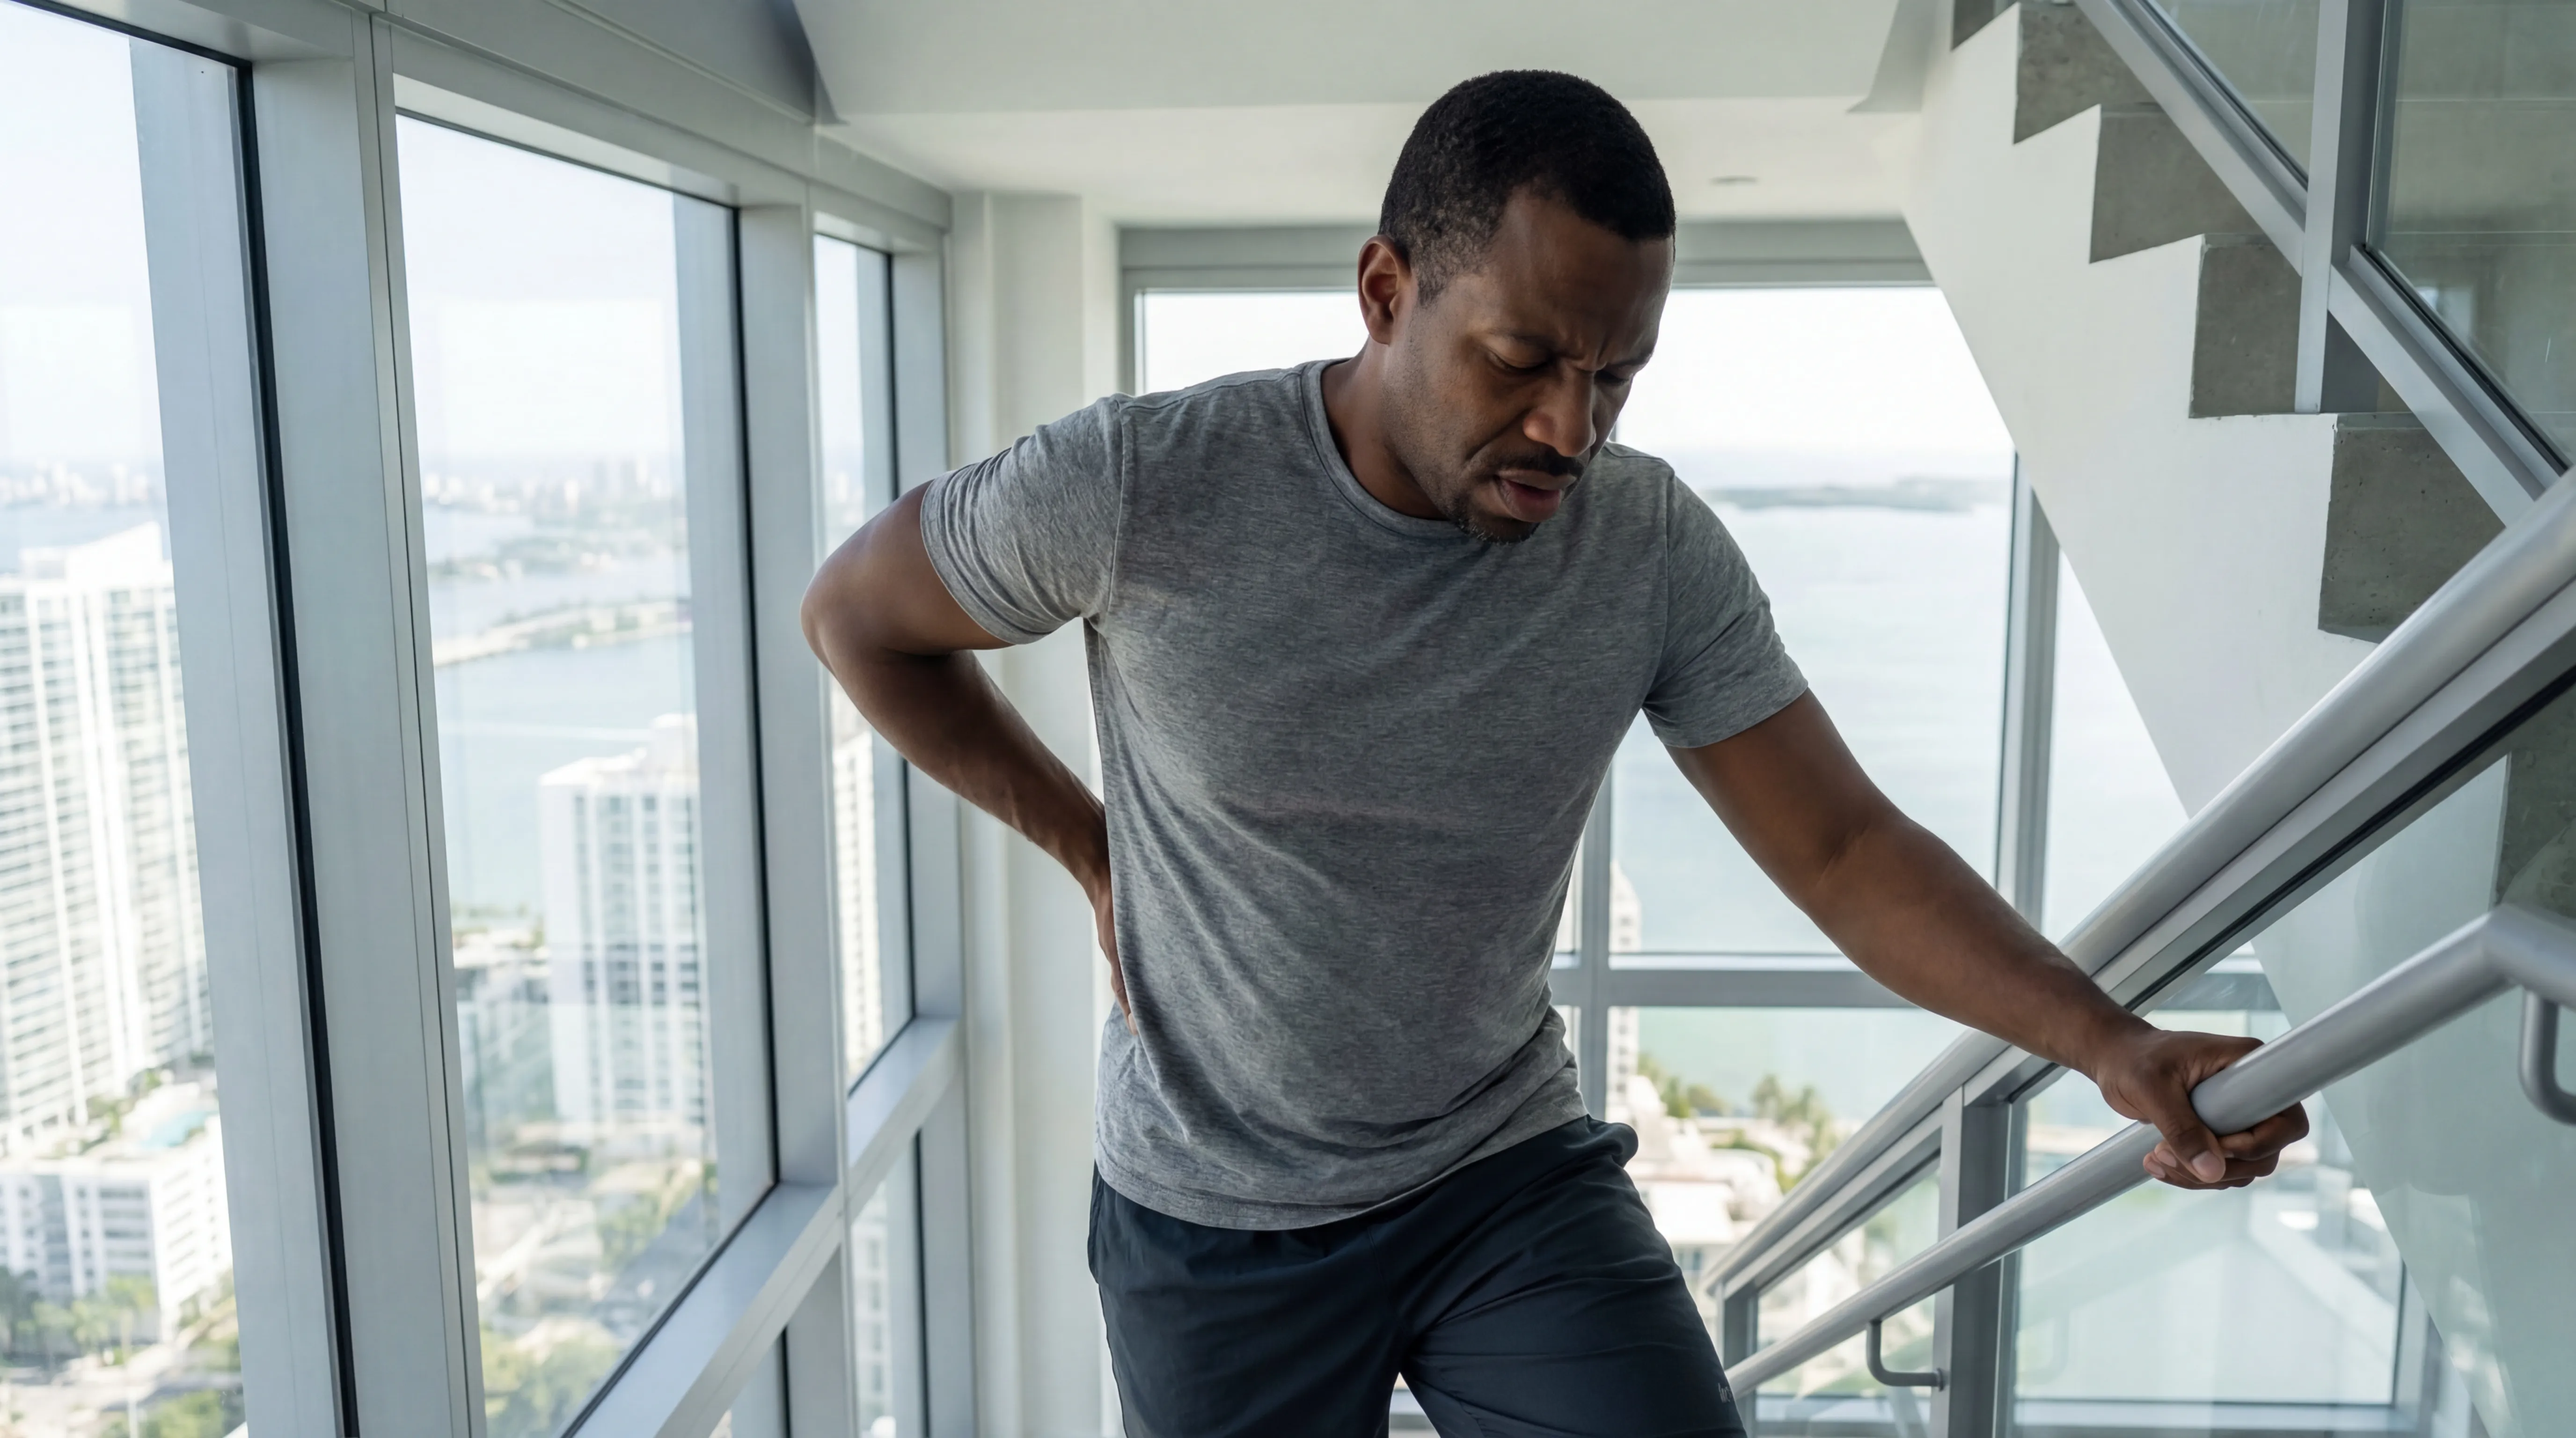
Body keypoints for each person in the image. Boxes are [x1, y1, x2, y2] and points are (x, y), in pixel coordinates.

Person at [803, 68, 2307, 1438]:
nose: (1570, 429)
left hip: (1499, 1179)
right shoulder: (1137, 487)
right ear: (1387, 290)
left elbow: (1846, 853)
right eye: (1522, 359)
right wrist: (1091, 845)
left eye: (1617, 376)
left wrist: (2110, 1044)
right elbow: (858, 620)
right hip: (1215, 1218)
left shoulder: (1647, 548)